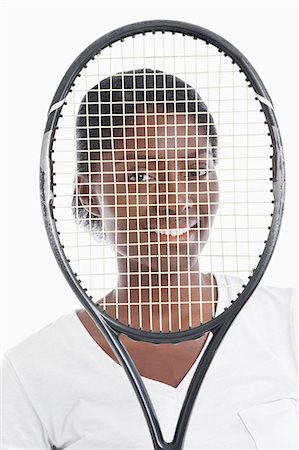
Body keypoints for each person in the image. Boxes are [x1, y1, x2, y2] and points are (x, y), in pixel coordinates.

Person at [2, 70, 297, 449]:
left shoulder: (288, 323)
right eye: (140, 175)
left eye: (196, 171)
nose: (176, 201)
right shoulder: (31, 373)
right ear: (90, 194)